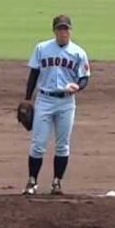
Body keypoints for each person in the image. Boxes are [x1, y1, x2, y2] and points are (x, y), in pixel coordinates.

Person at [22, 14, 91, 195]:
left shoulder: (78, 52)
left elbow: (84, 78)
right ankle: (32, 182)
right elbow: (34, 74)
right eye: (60, 29)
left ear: (70, 30)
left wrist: (78, 86)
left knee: (62, 145)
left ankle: (56, 182)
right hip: (44, 99)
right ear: (54, 31)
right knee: (38, 144)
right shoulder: (42, 48)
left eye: (66, 29)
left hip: (66, 102)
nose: (63, 32)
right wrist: (28, 98)